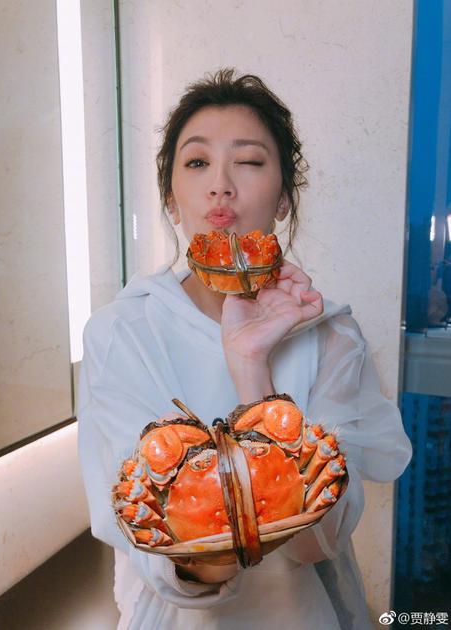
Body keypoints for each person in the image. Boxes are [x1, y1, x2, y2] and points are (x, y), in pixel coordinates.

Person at [77, 68, 412, 630]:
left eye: (250, 161)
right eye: (197, 162)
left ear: (283, 198)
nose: (221, 185)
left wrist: (251, 367)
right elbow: (154, 542)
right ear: (171, 198)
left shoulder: (331, 335)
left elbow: (315, 545)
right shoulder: (121, 333)